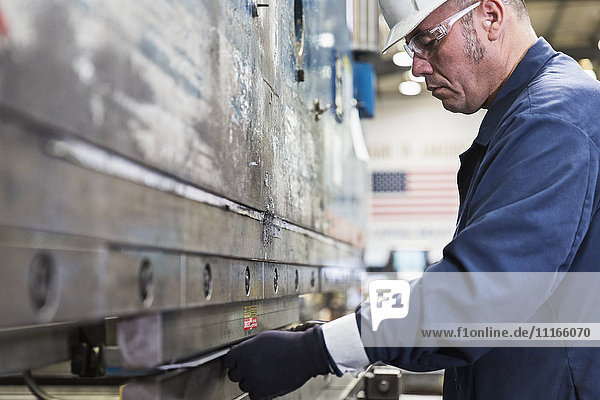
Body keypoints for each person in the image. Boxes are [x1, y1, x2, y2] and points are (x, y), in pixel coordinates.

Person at [224, 0, 600, 398]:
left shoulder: (554, 120)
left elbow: (478, 292)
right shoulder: (531, 115)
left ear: (490, 17)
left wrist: (319, 350)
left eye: (429, 40)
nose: (419, 67)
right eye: (412, 49)